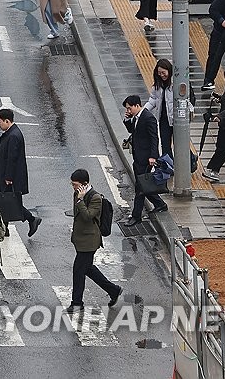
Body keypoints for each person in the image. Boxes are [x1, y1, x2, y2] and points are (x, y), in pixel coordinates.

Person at [68, 168, 122, 312]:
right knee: (88, 269)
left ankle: (77, 303)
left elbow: (87, 216)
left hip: (90, 241)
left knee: (78, 270)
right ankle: (113, 290)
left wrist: (80, 200)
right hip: (80, 239)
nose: (73, 187)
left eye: (75, 184)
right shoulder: (77, 193)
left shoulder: (95, 197)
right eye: (72, 184)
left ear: (84, 184)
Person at [0, 108, 42, 235]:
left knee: (9, 201)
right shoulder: (11, 133)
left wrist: (8, 177)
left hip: (9, 177)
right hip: (6, 174)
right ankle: (6, 228)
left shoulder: (13, 136)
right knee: (5, 201)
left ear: (7, 121)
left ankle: (31, 219)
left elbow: (12, 158)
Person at [121, 95, 167, 226]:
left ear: (137, 105)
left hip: (146, 158)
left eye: (130, 108)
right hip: (138, 156)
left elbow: (154, 138)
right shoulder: (136, 117)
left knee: (140, 187)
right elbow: (132, 130)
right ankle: (160, 204)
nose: (128, 110)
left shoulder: (148, 118)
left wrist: (153, 156)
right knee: (142, 184)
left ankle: (136, 216)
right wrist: (127, 119)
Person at [144, 58, 178, 157]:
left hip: (176, 119)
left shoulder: (175, 84)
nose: (162, 75)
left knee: (179, 144)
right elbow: (153, 100)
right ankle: (169, 166)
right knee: (165, 145)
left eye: (163, 72)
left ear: (169, 71)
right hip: (164, 120)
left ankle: (189, 162)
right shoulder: (157, 86)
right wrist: (143, 112)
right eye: (159, 73)